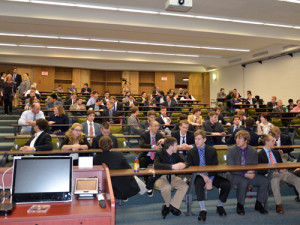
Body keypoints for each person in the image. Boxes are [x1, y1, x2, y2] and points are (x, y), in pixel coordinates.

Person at [187, 130, 231, 221]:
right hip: (198, 175)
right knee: (199, 183)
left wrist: (210, 179)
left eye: (199, 139)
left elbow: (214, 166)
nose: (196, 141)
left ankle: (220, 205)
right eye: (195, 139)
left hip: (211, 175)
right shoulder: (191, 151)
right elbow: (191, 168)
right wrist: (204, 176)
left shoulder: (212, 150)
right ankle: (203, 209)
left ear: (204, 140)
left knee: (226, 184)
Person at [227, 130, 269, 215]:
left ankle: (259, 203)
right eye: (236, 138)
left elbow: (255, 165)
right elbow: (231, 167)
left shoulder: (253, 151)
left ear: (246, 140)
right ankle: (240, 204)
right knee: (244, 181)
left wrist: (253, 172)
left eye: (240, 138)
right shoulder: (231, 150)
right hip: (233, 175)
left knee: (264, 181)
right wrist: (244, 174)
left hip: (249, 174)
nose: (237, 140)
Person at [94, 136, 146, 200]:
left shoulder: (96, 158)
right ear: (111, 144)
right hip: (121, 183)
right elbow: (128, 168)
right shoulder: (119, 155)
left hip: (105, 185)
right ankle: (145, 191)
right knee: (134, 177)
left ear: (100, 145)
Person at [258, 134, 300, 214]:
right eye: (273, 141)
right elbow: (260, 170)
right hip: (270, 174)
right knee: (275, 181)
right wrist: (270, 171)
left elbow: (280, 164)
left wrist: (282, 169)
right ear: (267, 142)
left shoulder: (276, 153)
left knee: (297, 180)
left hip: (281, 172)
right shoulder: (260, 154)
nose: (275, 142)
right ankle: (279, 205)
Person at [154, 137, 188, 219]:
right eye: (176, 145)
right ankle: (171, 207)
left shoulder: (176, 153)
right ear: (171, 147)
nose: (178, 147)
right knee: (166, 187)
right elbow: (157, 165)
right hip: (160, 177)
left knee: (184, 186)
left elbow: (186, 161)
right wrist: (172, 166)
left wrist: (184, 165)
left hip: (172, 177)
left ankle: (170, 207)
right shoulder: (159, 153)